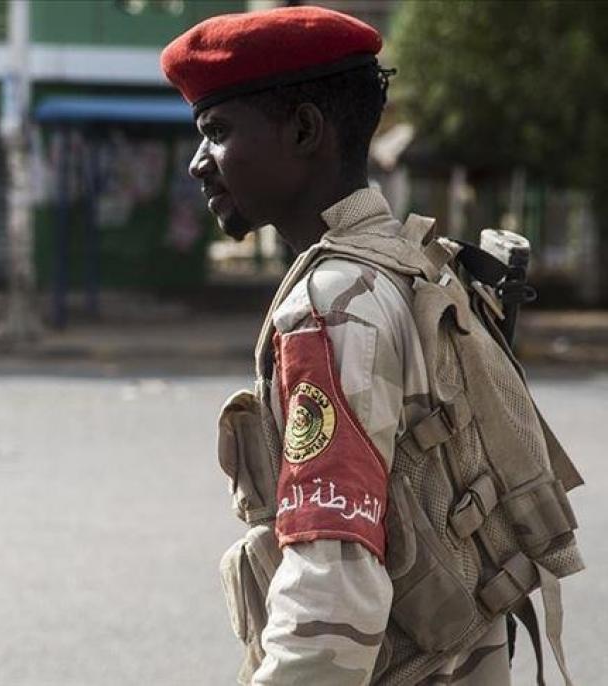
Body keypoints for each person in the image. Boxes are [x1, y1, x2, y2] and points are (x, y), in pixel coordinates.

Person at [163, 6, 582, 686]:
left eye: (217, 131)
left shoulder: (332, 310)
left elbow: (333, 596)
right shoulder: (415, 262)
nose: (198, 163)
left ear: (303, 130)